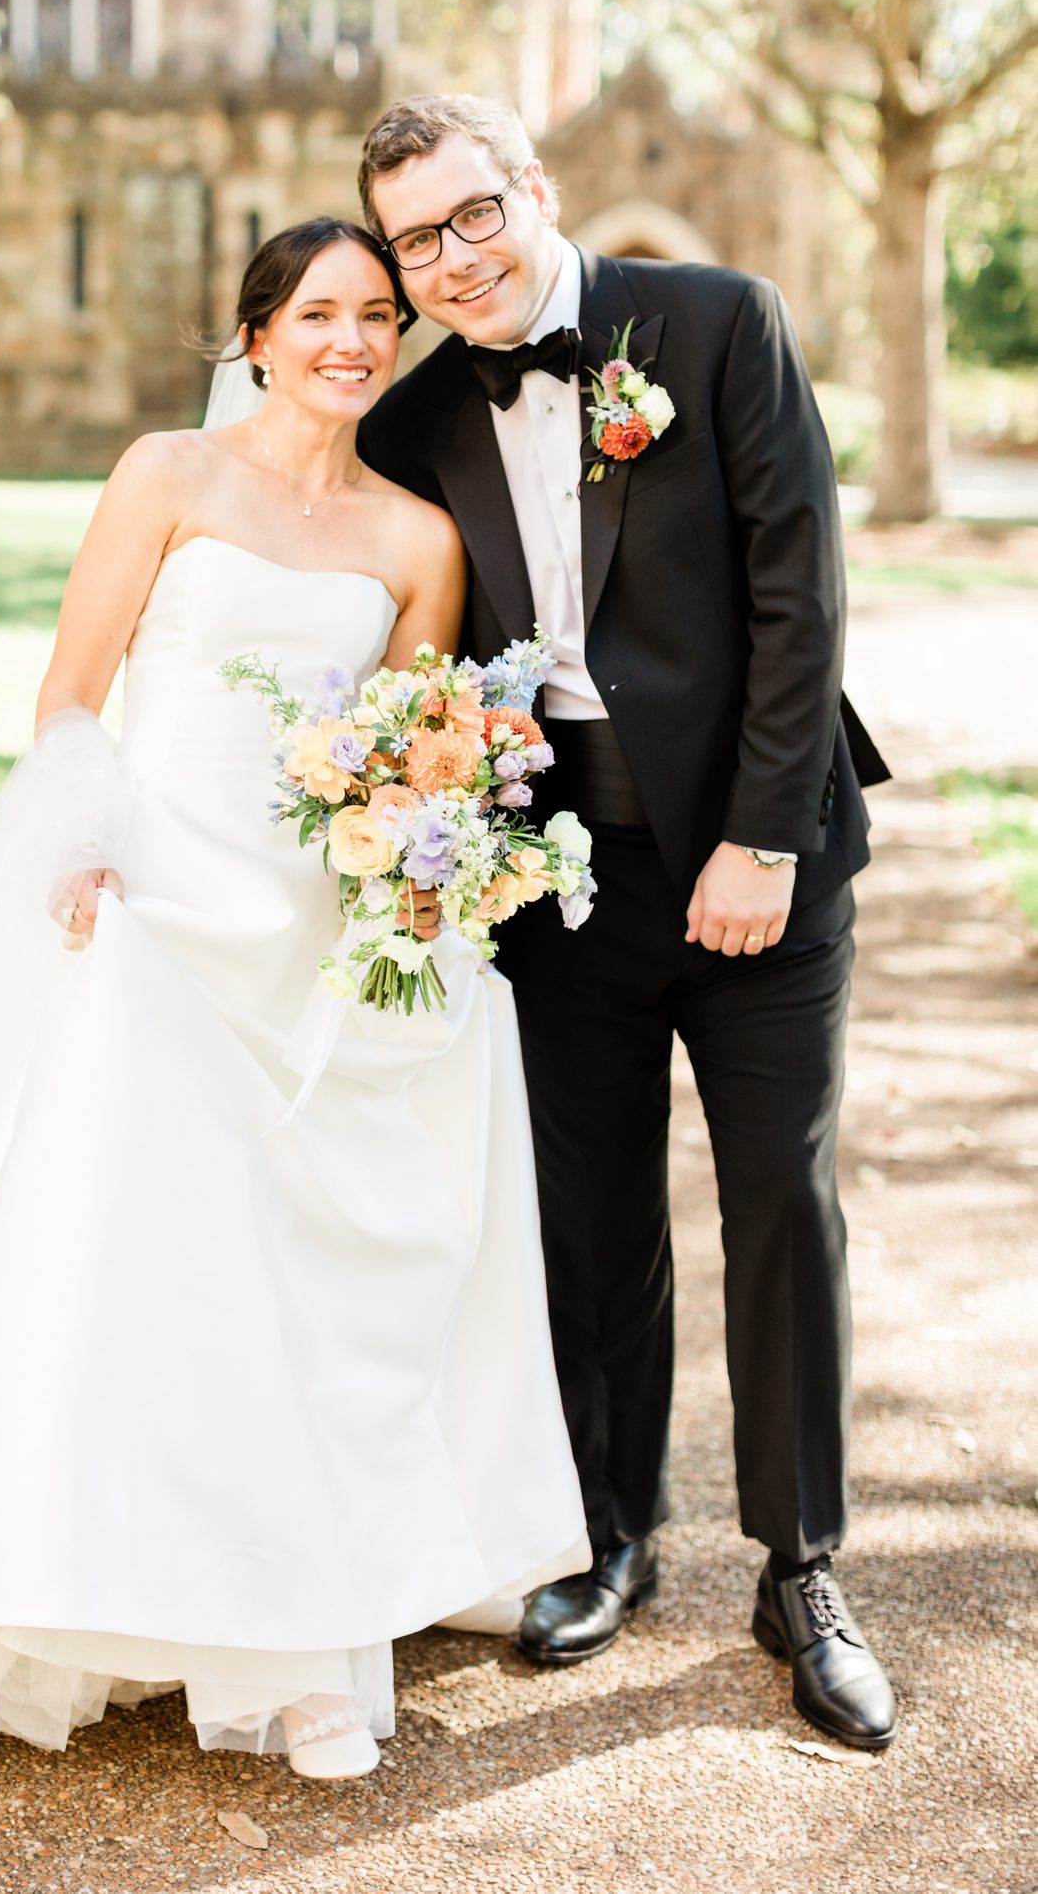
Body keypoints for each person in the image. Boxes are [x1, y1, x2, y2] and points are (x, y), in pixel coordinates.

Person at [0, 217, 589, 1784]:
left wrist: (416, 880)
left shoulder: (420, 539)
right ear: (258, 334)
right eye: (320, 314)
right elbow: (70, 698)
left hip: (310, 928)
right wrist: (83, 847)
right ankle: (147, 1610)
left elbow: (424, 744)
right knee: (151, 1272)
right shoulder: (165, 476)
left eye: (377, 315)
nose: (353, 339)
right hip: (149, 906)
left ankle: (302, 1646)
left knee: (316, 1282)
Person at [356, 94, 898, 1753]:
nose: (451, 260)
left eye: (470, 216)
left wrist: (757, 839)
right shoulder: (418, 421)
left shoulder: (721, 325)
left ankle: (801, 1562)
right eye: (413, 241)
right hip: (553, 874)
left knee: (778, 1203)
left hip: (753, 850)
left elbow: (800, 593)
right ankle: (611, 1529)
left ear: (536, 188)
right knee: (587, 1216)